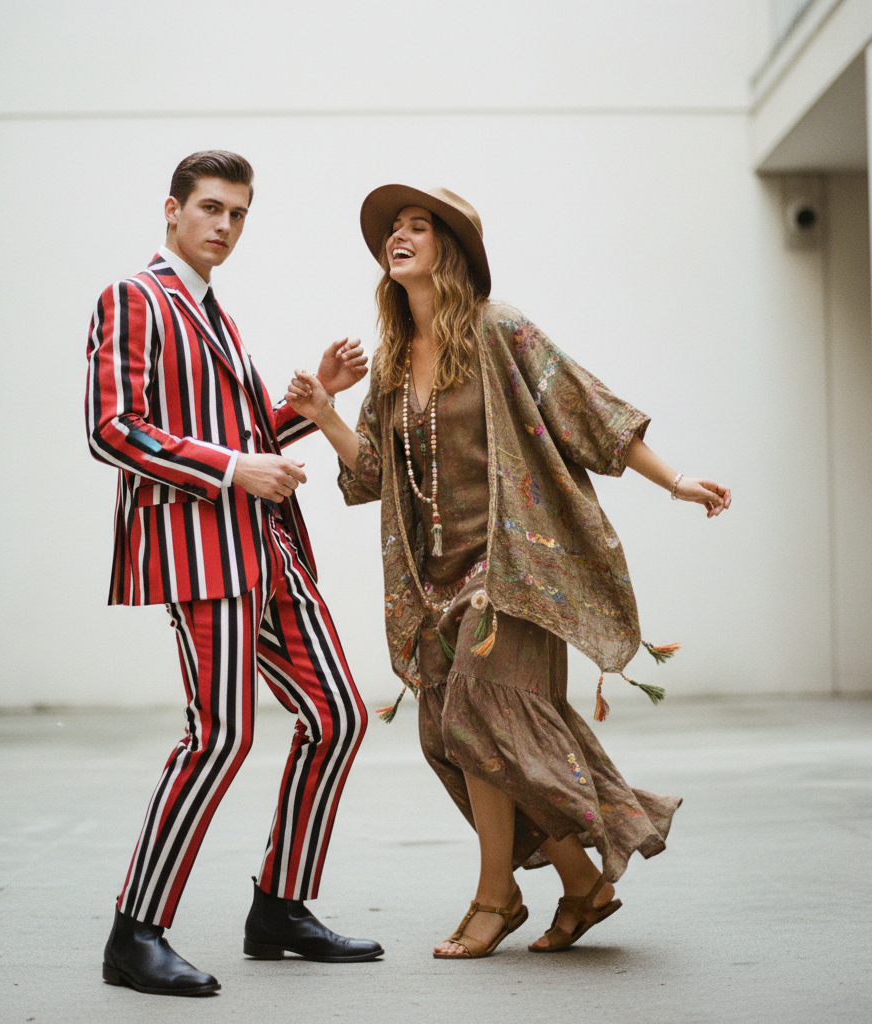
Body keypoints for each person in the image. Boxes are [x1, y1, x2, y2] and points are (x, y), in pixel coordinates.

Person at [285, 184, 731, 960]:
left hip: (515, 573)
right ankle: (582, 884)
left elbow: (586, 408)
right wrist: (325, 415)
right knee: (459, 734)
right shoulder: (391, 361)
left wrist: (676, 481)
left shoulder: (500, 329)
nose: (399, 236)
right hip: (435, 586)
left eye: (417, 226)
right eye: (393, 228)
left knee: (476, 713)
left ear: (449, 251)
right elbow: (371, 483)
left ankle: (496, 898)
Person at [84, 151, 383, 997]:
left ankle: (279, 908)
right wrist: (229, 470)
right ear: (172, 210)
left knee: (338, 716)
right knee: (219, 737)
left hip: (270, 551)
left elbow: (245, 436)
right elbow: (112, 428)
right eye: (211, 208)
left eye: (239, 214)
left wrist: (309, 402)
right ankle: (134, 932)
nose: (225, 226)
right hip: (203, 555)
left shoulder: (215, 311)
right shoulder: (134, 298)